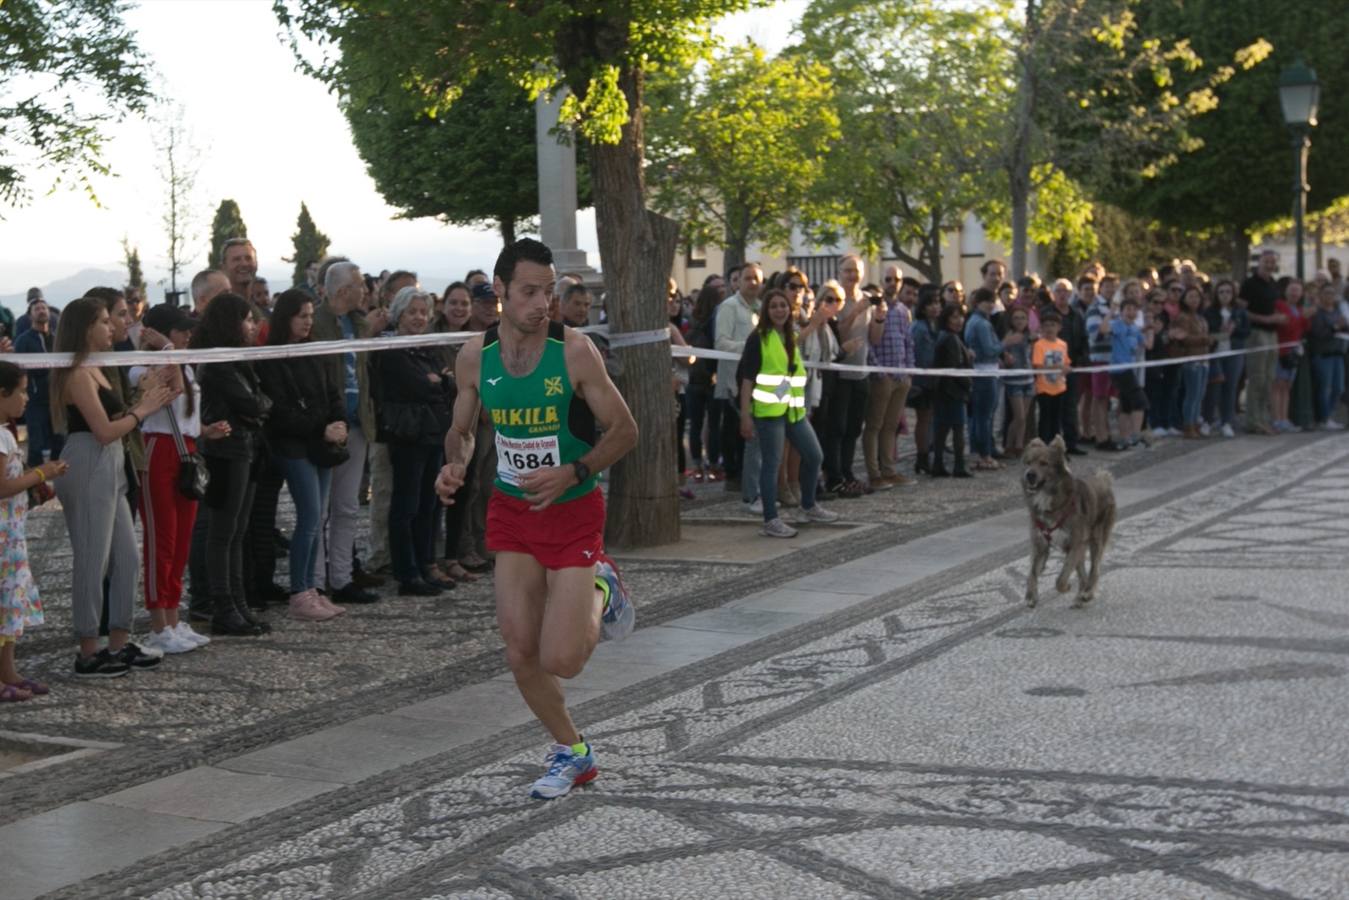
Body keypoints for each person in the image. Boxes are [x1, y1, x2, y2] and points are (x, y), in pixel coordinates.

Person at [434, 238, 637, 801]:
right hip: (513, 508)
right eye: (529, 291)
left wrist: (574, 471)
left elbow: (625, 431)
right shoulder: (475, 356)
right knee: (520, 650)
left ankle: (603, 585)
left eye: (547, 291)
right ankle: (573, 751)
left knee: (562, 659)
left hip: (572, 510)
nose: (542, 302)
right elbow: (465, 429)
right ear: (499, 292)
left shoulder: (573, 352)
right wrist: (453, 465)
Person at [52, 297, 175, 677]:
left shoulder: (100, 368)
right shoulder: (76, 373)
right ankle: (88, 650)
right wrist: (144, 410)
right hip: (89, 459)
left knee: (127, 556)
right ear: (86, 327)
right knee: (93, 559)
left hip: (112, 463)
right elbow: (103, 431)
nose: (111, 327)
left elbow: (118, 421)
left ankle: (119, 640)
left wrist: (145, 398)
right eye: (105, 321)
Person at [133, 304, 222, 654]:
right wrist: (166, 351)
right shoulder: (143, 365)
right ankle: (158, 625)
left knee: (182, 538)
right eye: (179, 329)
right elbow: (168, 389)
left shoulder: (183, 360)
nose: (188, 334)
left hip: (185, 448)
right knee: (162, 539)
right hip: (158, 449)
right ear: (160, 333)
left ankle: (172, 617)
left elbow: (186, 413)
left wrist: (206, 430)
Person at [257, 290, 349, 621]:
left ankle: (311, 588)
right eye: (303, 316)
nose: (309, 322)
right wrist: (319, 428)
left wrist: (338, 422)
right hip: (292, 447)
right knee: (309, 516)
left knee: (318, 517)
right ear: (286, 318)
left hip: (319, 444)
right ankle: (299, 591)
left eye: (311, 316)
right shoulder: (272, 358)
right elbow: (279, 411)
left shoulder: (314, 352)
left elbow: (332, 391)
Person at [193, 293, 274, 636]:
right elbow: (253, 403)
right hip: (226, 451)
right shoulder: (217, 362)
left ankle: (239, 604)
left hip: (247, 447)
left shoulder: (239, 360)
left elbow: (262, 401)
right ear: (230, 322)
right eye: (248, 319)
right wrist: (259, 405)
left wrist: (259, 404)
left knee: (238, 532)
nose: (254, 325)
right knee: (223, 532)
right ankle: (223, 606)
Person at [311, 261, 388, 604]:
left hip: (357, 425)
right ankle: (313, 580)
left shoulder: (359, 322)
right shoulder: (316, 322)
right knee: (319, 508)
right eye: (360, 285)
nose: (366, 291)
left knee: (345, 506)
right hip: (326, 426)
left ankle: (340, 578)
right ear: (343, 291)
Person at [736, 288, 840, 538]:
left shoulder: (789, 336)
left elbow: (794, 352)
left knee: (814, 455)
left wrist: (814, 324)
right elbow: (746, 379)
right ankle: (770, 519)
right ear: (766, 311)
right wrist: (745, 415)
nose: (779, 310)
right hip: (769, 412)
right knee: (772, 465)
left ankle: (807, 506)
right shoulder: (758, 338)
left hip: (793, 411)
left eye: (783, 305)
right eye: (774, 306)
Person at [378, 287, 456, 596]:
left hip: (433, 433)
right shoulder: (393, 350)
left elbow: (445, 385)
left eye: (423, 312)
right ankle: (406, 572)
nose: (418, 318)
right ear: (399, 314)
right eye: (412, 312)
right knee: (406, 505)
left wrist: (442, 381)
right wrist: (440, 381)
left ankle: (425, 564)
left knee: (429, 505)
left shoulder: (427, 349)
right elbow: (420, 387)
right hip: (409, 435)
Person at [0, 361, 66, 701]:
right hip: (2, 537)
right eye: (22, 391)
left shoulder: (7, 434)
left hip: (11, 533)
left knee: (10, 601)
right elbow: (2, 486)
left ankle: (8, 671)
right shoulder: (1, 435)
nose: (27, 398)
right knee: (3, 600)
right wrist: (41, 474)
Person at [823, 255, 872, 495]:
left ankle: (848, 471)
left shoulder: (866, 298)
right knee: (837, 427)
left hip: (861, 372)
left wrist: (879, 317)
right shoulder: (835, 299)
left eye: (856, 271)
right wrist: (854, 313)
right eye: (847, 271)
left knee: (854, 428)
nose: (852, 275)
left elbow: (874, 338)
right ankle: (835, 475)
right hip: (840, 373)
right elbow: (837, 334)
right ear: (840, 272)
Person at [714, 263, 762, 494]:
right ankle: (733, 476)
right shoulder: (729, 307)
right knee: (734, 431)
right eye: (748, 278)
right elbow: (721, 342)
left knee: (751, 433)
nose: (753, 282)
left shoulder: (762, 309)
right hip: (734, 381)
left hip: (757, 381)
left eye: (756, 278)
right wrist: (752, 347)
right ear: (739, 281)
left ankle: (749, 477)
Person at [863, 275, 915, 488]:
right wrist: (879, 370)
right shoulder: (874, 308)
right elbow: (868, 341)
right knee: (874, 425)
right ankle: (874, 474)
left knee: (891, 426)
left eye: (897, 279)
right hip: (881, 376)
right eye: (888, 279)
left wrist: (909, 370)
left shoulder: (904, 310)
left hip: (901, 376)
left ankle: (889, 470)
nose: (893, 282)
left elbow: (907, 340)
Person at [14, 298, 63, 467]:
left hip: (57, 400)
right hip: (35, 401)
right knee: (36, 445)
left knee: (60, 441)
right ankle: (33, 488)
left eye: (44, 308)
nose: (41, 311)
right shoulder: (23, 340)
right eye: (37, 309)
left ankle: (59, 483)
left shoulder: (58, 340)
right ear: (30, 315)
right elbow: (18, 369)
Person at [1240, 249, 1283, 436]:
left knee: (1268, 379)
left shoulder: (1273, 283)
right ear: (1260, 262)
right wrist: (1264, 319)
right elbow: (1242, 311)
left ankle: (1264, 418)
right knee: (1256, 379)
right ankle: (1252, 421)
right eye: (1266, 261)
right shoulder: (1249, 284)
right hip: (1257, 334)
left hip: (1273, 335)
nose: (1269, 265)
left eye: (1272, 262)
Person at [1103, 294, 1153, 447]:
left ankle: (1125, 437)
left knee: (1126, 404)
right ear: (1122, 311)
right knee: (1140, 402)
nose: (1131, 312)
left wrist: (1150, 327)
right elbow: (1103, 329)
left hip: (1129, 369)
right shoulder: (1118, 324)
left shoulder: (1135, 329)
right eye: (1128, 309)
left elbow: (1148, 345)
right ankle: (1135, 436)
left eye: (1134, 309)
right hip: (1119, 370)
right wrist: (1111, 313)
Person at [1203, 279, 1250, 437]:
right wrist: (1219, 331)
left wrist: (1234, 331)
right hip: (1216, 352)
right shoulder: (1209, 311)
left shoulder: (1239, 311)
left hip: (1234, 352)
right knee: (1214, 388)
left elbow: (1246, 331)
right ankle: (1207, 420)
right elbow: (1206, 331)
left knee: (1231, 388)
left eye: (1228, 292)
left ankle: (1226, 422)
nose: (1225, 295)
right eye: (1221, 292)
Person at [931, 303, 973, 478]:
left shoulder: (946, 337)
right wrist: (968, 383)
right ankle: (958, 465)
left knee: (941, 429)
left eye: (961, 316)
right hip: (953, 391)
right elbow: (955, 367)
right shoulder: (951, 339)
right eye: (954, 317)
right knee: (956, 429)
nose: (959, 321)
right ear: (946, 319)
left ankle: (938, 463)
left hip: (944, 390)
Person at [963, 288, 1003, 470]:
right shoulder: (981, 323)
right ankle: (985, 455)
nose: (991, 304)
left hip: (981, 372)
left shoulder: (974, 320)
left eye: (992, 300)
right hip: (985, 373)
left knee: (977, 417)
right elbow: (989, 350)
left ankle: (976, 454)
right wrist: (1005, 344)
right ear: (978, 302)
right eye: (987, 300)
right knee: (984, 417)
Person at [1170, 285, 1212, 439]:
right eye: (1191, 297)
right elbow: (1184, 338)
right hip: (1191, 360)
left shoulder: (1200, 317)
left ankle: (1195, 422)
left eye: (1197, 297)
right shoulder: (1183, 317)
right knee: (1192, 395)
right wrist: (1204, 339)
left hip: (1204, 359)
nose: (1194, 300)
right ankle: (1188, 424)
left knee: (1200, 395)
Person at [910, 291, 943, 474]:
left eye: (938, 303)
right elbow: (924, 357)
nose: (936, 307)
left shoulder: (933, 325)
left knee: (928, 419)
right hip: (922, 380)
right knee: (923, 419)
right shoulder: (920, 328)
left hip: (931, 380)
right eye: (931, 303)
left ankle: (926, 454)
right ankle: (922, 457)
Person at [1308, 281, 1348, 429]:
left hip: (1338, 353)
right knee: (1324, 388)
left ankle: (1329, 415)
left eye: (1332, 293)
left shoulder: (1337, 311)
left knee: (1339, 388)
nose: (1330, 296)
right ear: (1320, 295)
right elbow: (1318, 333)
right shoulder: (1317, 313)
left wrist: (1343, 327)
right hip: (1323, 354)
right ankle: (1323, 419)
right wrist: (1336, 326)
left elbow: (1342, 329)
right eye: (1327, 293)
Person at [1271, 278, 1306, 434]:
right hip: (1280, 351)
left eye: (1297, 290)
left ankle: (1284, 419)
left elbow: (1303, 327)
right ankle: (1276, 419)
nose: (1294, 293)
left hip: (1293, 352)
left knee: (1286, 386)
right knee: (1277, 385)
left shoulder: (1299, 309)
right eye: (1292, 289)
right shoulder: (1279, 305)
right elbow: (1286, 326)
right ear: (1285, 291)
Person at [1001, 306, 1034, 459]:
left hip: (1028, 379)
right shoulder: (1009, 336)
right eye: (1016, 318)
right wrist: (1005, 358)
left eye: (1022, 318)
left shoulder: (1030, 336)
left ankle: (1019, 445)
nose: (1019, 321)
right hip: (1014, 380)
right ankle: (1008, 445)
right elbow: (1001, 353)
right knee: (1019, 415)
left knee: (1024, 416)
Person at [1033, 311, 1071, 442]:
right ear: (1042, 328)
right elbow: (1038, 366)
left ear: (1059, 327)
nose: (1049, 328)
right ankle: (1043, 446)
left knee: (1056, 420)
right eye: (1046, 325)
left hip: (1059, 387)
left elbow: (1066, 362)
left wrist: (1066, 369)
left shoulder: (1063, 344)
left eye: (1053, 325)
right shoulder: (1039, 345)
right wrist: (1057, 368)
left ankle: (1056, 447)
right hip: (1044, 388)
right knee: (1045, 419)